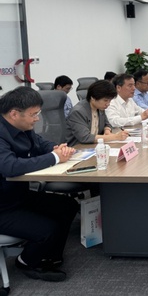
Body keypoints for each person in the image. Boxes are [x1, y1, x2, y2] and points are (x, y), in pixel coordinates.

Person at [0, 87, 78, 282]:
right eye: (33, 114)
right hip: (2, 206)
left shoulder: (22, 127)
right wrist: (54, 157)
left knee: (67, 205)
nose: (37, 119)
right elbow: (9, 167)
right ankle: (26, 262)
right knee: (47, 229)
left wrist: (56, 149)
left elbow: (40, 144)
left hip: (17, 196)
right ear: (14, 114)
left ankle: (48, 256)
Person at [66, 80, 129, 146]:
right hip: (78, 148)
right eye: (105, 100)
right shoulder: (78, 112)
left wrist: (107, 130)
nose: (108, 104)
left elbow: (107, 124)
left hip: (94, 146)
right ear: (93, 98)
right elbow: (85, 137)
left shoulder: (100, 108)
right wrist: (115, 137)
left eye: (110, 100)